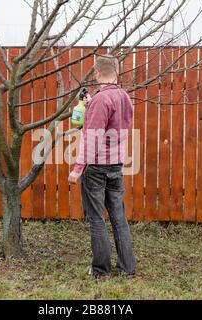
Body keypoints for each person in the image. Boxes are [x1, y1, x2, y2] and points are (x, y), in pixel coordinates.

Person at [68, 54, 136, 277]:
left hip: (96, 167)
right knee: (119, 218)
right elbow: (113, 127)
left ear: (97, 73)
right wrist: (90, 108)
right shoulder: (125, 98)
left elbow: (92, 138)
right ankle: (127, 268)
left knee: (97, 218)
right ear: (116, 72)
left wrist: (78, 169)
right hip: (116, 165)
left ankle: (100, 270)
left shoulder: (100, 100)